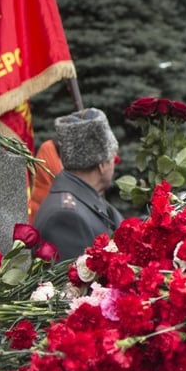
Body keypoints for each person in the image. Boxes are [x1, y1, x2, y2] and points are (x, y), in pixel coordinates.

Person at [34, 108, 123, 261]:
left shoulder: (85, 197)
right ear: (102, 165)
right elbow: (75, 283)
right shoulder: (66, 216)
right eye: (112, 159)